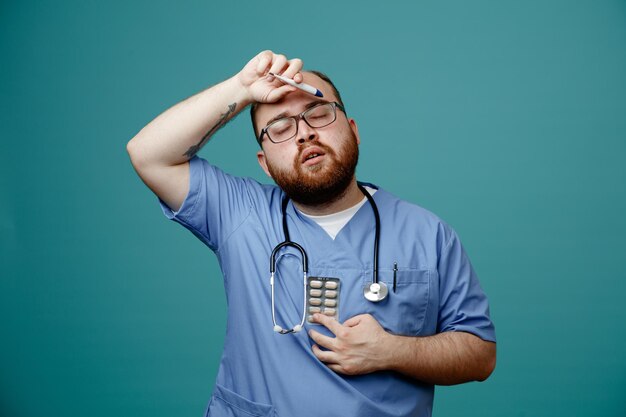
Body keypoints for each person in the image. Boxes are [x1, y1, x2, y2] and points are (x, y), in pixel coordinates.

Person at [126, 50, 496, 417]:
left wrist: (391, 351)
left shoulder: (428, 234)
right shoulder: (238, 214)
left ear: (353, 131)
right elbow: (148, 154)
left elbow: (480, 355)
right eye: (281, 127)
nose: (304, 133)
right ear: (265, 165)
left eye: (318, 114)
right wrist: (242, 88)